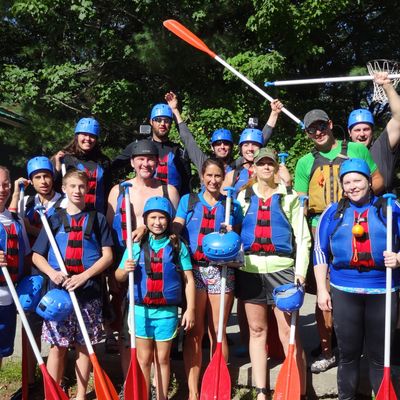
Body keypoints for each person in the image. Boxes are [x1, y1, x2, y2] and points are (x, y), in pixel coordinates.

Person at [294, 108, 384, 373]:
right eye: (312, 129)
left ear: (330, 124)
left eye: (321, 126)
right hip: (321, 227)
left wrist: (357, 199)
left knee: (359, 284)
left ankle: (365, 350)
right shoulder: (304, 162)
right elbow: (300, 203)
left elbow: (377, 179)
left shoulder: (356, 150)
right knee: (323, 293)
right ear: (307, 133)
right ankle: (327, 351)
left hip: (358, 223)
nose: (318, 132)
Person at [314, 158, 400, 399]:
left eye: (358, 180)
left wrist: (398, 258)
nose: (352, 186)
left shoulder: (391, 208)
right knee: (348, 354)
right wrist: (321, 289)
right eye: (347, 182)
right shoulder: (333, 212)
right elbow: (320, 250)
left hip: (382, 291)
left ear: (369, 182)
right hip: (344, 291)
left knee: (380, 356)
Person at [235, 147, 311, 399]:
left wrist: (300, 273)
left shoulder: (290, 197)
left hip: (283, 272)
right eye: (261, 163)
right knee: (257, 331)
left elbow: (303, 238)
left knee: (289, 333)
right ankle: (261, 391)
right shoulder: (243, 197)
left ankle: (297, 391)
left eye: (270, 163)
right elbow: (234, 231)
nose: (266, 167)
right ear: (254, 168)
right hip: (250, 271)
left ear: (277, 167)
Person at [32, 169, 113, 400]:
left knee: (84, 346)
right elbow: (37, 256)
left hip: (88, 292)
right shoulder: (53, 219)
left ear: (87, 189)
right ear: (64, 189)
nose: (77, 191)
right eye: (73, 186)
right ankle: (52, 393)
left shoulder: (97, 219)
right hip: (59, 294)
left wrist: (84, 276)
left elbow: (107, 256)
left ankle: (80, 395)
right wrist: (53, 273)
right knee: (57, 346)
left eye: (81, 187)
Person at [172, 158, 243, 400]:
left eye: (218, 176)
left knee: (218, 331)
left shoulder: (231, 204)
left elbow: (239, 237)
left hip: (222, 271)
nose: (213, 180)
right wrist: (170, 233)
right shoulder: (189, 201)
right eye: (209, 176)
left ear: (224, 178)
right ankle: (193, 392)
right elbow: (177, 225)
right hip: (195, 271)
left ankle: (216, 388)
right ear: (202, 177)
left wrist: (232, 233)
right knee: (194, 331)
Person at [107, 139, 180, 373]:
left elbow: (175, 230)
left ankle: (156, 382)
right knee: (126, 328)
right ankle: (130, 381)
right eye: (140, 159)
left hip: (157, 267)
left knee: (154, 330)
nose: (145, 164)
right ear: (132, 162)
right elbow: (109, 232)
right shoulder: (118, 191)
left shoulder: (169, 191)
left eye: (150, 159)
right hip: (126, 263)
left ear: (157, 162)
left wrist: (145, 229)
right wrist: (112, 273)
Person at [115, 196, 195, 400]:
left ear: (168, 220)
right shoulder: (135, 245)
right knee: (143, 359)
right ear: (145, 220)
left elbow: (188, 280)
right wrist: (125, 270)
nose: (157, 222)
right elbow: (118, 276)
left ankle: (161, 397)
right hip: (140, 311)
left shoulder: (178, 246)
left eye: (162, 217)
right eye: (153, 217)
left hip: (166, 313)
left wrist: (191, 309)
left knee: (162, 359)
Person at [8, 156, 64, 396]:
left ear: (53, 177)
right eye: (38, 177)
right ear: (31, 180)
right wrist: (16, 192)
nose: (43, 181)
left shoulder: (63, 203)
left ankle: (55, 381)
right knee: (29, 324)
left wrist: (30, 227)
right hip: (30, 271)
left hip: (54, 270)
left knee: (55, 324)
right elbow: (12, 220)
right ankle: (29, 379)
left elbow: (48, 234)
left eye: (46, 176)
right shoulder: (26, 201)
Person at [165, 90, 283, 174]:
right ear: (212, 147)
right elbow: (188, 139)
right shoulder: (203, 162)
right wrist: (174, 110)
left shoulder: (237, 164)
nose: (222, 147)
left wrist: (274, 114)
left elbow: (259, 141)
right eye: (218, 144)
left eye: (226, 143)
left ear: (232, 147)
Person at [112, 102, 192, 196]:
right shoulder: (138, 146)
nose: (162, 124)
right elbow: (112, 167)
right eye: (158, 120)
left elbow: (187, 185)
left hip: (172, 202)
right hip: (144, 201)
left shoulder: (179, 152)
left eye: (166, 120)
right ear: (151, 122)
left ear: (171, 123)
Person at [347, 72, 400, 192]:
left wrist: (387, 85)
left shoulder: (382, 146)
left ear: (372, 131)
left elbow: (399, 117)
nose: (362, 134)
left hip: (384, 202)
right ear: (350, 132)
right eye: (357, 130)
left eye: (366, 129)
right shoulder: (342, 152)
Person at [0, 166, 31, 371]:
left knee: (1, 352)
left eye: (5, 185)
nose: (1, 190)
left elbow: (25, 256)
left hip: (8, 297)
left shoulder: (15, 221)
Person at [53, 117, 112, 214]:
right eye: (84, 134)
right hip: (72, 215)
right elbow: (54, 187)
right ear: (77, 136)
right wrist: (57, 169)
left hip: (98, 216)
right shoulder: (65, 159)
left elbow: (108, 190)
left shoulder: (103, 161)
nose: (88, 139)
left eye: (92, 136)